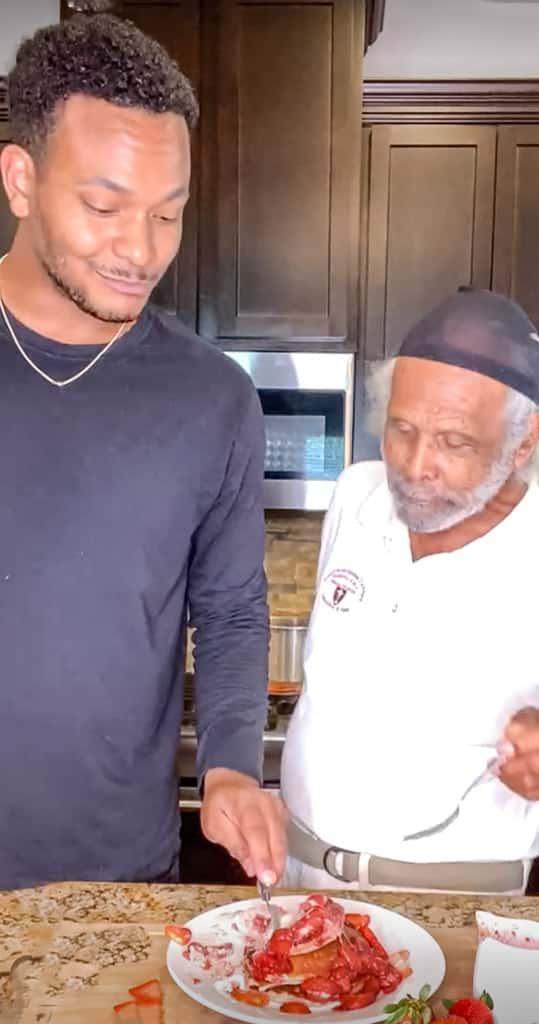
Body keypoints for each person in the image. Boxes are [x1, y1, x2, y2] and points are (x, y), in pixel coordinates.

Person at [0, 13, 287, 890]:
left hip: (120, 877)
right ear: (20, 179)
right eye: (103, 206)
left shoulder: (211, 398)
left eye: (168, 214)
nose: (142, 248)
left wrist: (232, 762)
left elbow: (232, 607)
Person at [281, 289, 539, 895]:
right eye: (401, 429)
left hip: (454, 905)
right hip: (299, 882)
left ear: (523, 440)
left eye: (454, 442)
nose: (416, 464)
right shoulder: (356, 495)